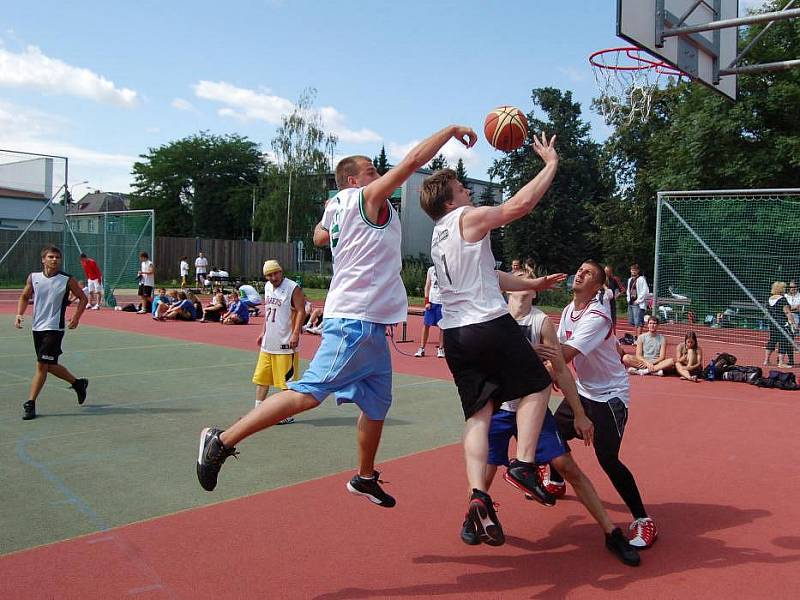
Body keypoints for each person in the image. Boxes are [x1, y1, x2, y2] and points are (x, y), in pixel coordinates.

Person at [196, 124, 479, 506]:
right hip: (355, 321)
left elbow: (317, 235)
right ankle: (222, 440)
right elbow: (413, 161)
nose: (379, 176)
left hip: (369, 326)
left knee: (377, 404)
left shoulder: (336, 207)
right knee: (310, 393)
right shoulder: (364, 199)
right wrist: (450, 130)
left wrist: (329, 229)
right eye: (371, 172)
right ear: (352, 180)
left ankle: (365, 477)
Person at [420, 131, 566, 546]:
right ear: (450, 200)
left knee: (478, 415)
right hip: (487, 323)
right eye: (462, 188)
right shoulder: (469, 217)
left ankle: (478, 494)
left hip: (455, 334)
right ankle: (523, 464)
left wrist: (530, 281)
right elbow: (520, 205)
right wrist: (550, 164)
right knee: (538, 385)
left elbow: (488, 275)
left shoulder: (440, 236)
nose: (468, 190)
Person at [472, 305, 640, 565]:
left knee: (569, 467)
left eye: (528, 278)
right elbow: (483, 359)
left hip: (533, 409)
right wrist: (528, 353)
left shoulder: (541, 321)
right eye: (516, 275)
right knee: (487, 469)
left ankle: (611, 531)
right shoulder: (493, 317)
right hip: (501, 406)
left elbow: (561, 367)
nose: (523, 280)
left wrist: (580, 413)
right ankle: (473, 517)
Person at [536, 260, 658, 549]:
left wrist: (530, 365)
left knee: (608, 459)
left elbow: (563, 354)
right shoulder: (568, 311)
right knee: (552, 433)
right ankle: (554, 477)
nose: (579, 273)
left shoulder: (597, 316)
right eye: (579, 269)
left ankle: (643, 520)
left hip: (610, 397)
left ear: (596, 286)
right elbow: (558, 357)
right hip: (583, 390)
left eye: (587, 272)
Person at [14, 246, 89, 420]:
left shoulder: (67, 280)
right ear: (43, 259)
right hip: (37, 328)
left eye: (57, 257)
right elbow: (24, 296)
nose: (54, 260)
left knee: (41, 365)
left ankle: (30, 404)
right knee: (48, 365)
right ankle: (78, 383)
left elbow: (83, 298)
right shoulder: (34, 277)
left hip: (54, 328)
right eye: (51, 257)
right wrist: (19, 314)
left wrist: (76, 317)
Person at [253, 260, 305, 426]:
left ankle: (287, 413)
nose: (273, 277)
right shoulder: (267, 287)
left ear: (281, 271)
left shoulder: (292, 287)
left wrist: (296, 333)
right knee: (263, 378)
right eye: (269, 274)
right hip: (269, 342)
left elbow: (301, 310)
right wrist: (263, 331)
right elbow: (269, 311)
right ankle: (258, 410)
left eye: (276, 273)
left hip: (286, 343)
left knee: (286, 383)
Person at [414, 265, 445, 358]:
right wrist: (427, 301)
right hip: (432, 302)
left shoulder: (447, 269)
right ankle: (422, 348)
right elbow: (427, 286)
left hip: (442, 302)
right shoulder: (431, 270)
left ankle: (441, 349)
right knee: (426, 325)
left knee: (442, 327)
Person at [764, 281, 795, 368]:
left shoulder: (770, 299)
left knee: (772, 340)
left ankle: (766, 360)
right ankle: (781, 362)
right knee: (784, 341)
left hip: (773, 323)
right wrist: (792, 323)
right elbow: (787, 312)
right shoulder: (782, 299)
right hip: (782, 323)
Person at [626, 264, 650, 338]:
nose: (633, 271)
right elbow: (628, 290)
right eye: (632, 270)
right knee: (632, 321)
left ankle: (638, 337)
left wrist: (638, 300)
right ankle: (636, 335)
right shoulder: (629, 280)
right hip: (631, 302)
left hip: (638, 303)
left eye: (635, 270)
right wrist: (628, 299)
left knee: (638, 321)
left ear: (638, 271)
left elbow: (645, 291)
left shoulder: (641, 279)